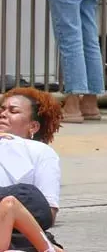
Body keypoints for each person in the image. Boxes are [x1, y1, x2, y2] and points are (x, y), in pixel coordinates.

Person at [0, 90, 63, 229]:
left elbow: (47, 213)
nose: (3, 114)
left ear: (33, 126)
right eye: (2, 109)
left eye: (13, 111)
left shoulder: (41, 151)